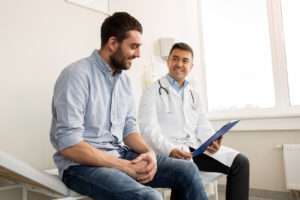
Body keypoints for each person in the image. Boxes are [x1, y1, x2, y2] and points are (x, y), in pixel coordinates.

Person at [50, 13, 208, 200]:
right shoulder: (76, 76)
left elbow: (129, 129)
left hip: (120, 154)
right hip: (81, 166)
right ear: (112, 43)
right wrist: (124, 166)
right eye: (133, 47)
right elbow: (70, 145)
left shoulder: (124, 81)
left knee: (187, 170)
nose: (139, 54)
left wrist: (148, 152)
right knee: (150, 198)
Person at [138, 42, 250, 200]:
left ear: (191, 66)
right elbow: (148, 130)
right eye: (175, 59)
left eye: (185, 61)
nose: (179, 64)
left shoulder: (193, 94)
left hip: (194, 149)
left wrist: (212, 140)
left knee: (240, 162)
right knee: (185, 171)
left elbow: (203, 125)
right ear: (168, 61)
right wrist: (170, 149)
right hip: (168, 152)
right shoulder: (152, 91)